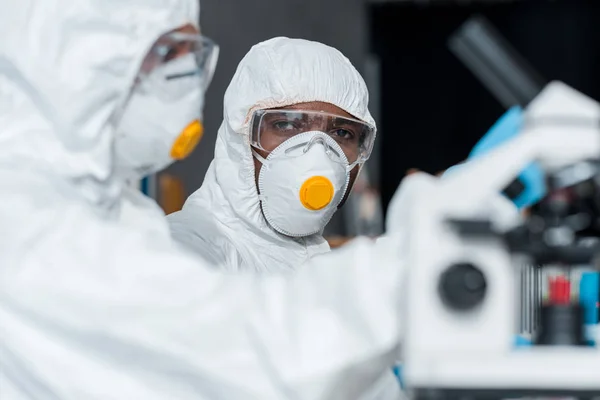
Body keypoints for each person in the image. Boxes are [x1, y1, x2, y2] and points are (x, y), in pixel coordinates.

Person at [0, 0, 409, 398]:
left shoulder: (120, 217)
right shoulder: (35, 231)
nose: (186, 78)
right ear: (78, 55)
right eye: (166, 52)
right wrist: (417, 264)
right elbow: (249, 358)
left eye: (342, 134)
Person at [167, 37, 377, 271]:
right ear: (240, 136)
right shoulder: (184, 251)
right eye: (286, 125)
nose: (317, 155)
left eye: (341, 132)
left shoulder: (318, 261)